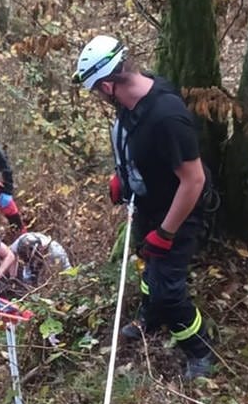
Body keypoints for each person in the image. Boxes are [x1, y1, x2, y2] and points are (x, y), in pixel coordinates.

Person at [75, 35, 216, 379]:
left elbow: (193, 180)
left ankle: (200, 350)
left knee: (168, 290)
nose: (99, 98)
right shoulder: (132, 102)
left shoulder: (165, 116)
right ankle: (150, 317)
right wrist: (121, 177)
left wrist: (166, 233)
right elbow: (136, 148)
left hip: (178, 212)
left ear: (108, 86)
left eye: (97, 91)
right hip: (149, 205)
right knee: (147, 266)